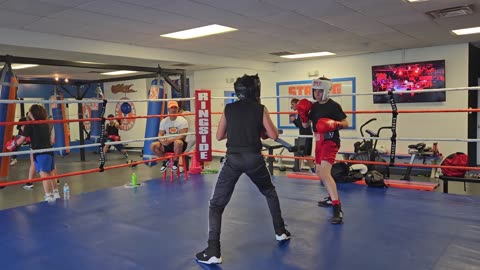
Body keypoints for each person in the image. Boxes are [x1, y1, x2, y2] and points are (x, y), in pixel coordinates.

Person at [195, 74, 290, 265]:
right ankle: (280, 231)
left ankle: (213, 249)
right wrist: (254, 127)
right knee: (269, 192)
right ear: (256, 90)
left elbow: (220, 136)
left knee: (216, 205)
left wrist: (238, 128)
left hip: (233, 160)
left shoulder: (228, 108)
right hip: (254, 158)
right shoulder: (260, 109)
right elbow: (272, 134)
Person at [297, 77, 348, 224]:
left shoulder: (333, 106)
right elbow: (306, 126)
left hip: (330, 141)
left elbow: (346, 122)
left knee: (325, 173)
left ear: (326, 91)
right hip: (318, 141)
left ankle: (337, 209)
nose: (316, 94)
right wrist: (303, 114)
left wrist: (334, 124)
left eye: (319, 91)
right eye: (315, 90)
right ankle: (330, 197)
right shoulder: (313, 107)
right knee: (320, 173)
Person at [6, 104, 60, 202]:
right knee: (52, 172)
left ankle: (48, 195)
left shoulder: (30, 125)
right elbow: (49, 139)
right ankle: (56, 193)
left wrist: (13, 144)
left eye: (30, 112)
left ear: (32, 113)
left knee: (44, 175)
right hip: (49, 151)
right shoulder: (47, 123)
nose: (29, 113)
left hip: (40, 152)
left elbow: (21, 140)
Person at [150, 101, 188, 172]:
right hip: (167, 143)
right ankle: (166, 161)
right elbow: (160, 134)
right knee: (153, 145)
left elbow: (183, 135)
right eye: (172, 108)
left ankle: (175, 162)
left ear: (178, 109)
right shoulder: (164, 121)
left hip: (180, 144)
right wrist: (162, 141)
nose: (173, 109)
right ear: (168, 109)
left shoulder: (183, 120)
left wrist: (171, 140)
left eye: (175, 108)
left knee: (178, 142)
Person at [290, 98, 315, 173]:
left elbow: (305, 124)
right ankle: (298, 170)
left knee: (306, 155)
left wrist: (294, 120)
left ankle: (314, 170)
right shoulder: (299, 112)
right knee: (300, 153)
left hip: (306, 135)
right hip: (302, 135)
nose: (291, 107)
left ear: (296, 104)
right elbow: (299, 125)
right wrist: (294, 120)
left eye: (292, 105)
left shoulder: (303, 111)